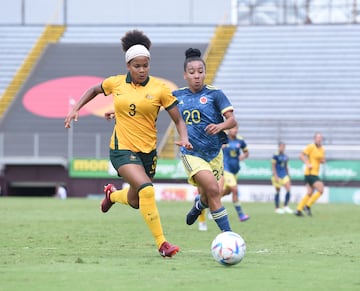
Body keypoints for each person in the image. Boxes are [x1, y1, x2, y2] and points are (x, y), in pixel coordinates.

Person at [64, 30, 192, 258]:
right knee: (147, 189)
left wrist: (184, 137)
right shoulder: (115, 83)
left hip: (148, 153)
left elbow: (178, 119)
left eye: (145, 65)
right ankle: (163, 244)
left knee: (135, 201)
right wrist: (76, 108)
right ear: (128, 66)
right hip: (122, 149)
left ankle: (112, 196)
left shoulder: (160, 89)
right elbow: (94, 90)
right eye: (137, 66)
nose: (142, 70)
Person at [172, 48, 237, 233]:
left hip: (214, 154)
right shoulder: (177, 96)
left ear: (205, 73)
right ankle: (229, 236)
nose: (197, 76)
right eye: (192, 72)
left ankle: (199, 206)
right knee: (215, 191)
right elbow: (149, 110)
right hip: (192, 153)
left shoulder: (215, 94)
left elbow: (232, 121)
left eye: (200, 71)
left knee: (209, 196)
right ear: (185, 75)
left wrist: (220, 126)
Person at [197, 126, 249, 231]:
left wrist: (240, 158)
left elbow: (246, 152)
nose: (234, 130)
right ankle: (240, 214)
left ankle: (213, 206)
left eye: (236, 129)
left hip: (234, 170)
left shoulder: (240, 140)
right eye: (233, 129)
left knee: (223, 192)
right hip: (222, 169)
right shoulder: (221, 139)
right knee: (233, 189)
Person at [295, 133, 326, 217]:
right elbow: (301, 155)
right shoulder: (311, 147)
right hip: (310, 173)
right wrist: (307, 163)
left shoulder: (322, 149)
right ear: (314, 139)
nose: (319, 139)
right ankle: (307, 206)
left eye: (320, 137)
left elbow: (322, 160)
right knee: (321, 189)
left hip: (314, 173)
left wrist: (322, 160)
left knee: (309, 193)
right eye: (318, 137)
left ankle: (298, 210)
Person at [271, 142, 293, 214]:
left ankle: (285, 206)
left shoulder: (285, 156)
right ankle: (277, 208)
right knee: (278, 190)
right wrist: (275, 175)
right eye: (281, 147)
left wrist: (288, 174)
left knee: (288, 188)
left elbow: (286, 166)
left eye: (283, 147)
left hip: (284, 174)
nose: (282, 148)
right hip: (277, 175)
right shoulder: (275, 155)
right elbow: (273, 166)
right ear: (279, 147)